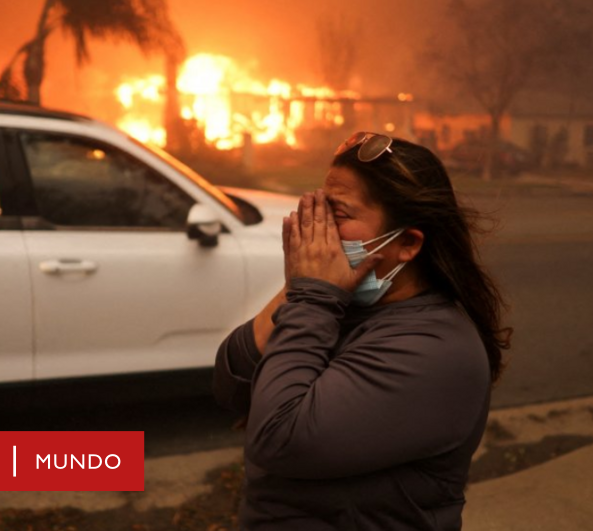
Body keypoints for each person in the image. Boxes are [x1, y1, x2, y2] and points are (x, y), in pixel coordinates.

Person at [212, 132, 511, 530]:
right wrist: (299, 286)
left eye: (338, 215)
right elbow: (232, 379)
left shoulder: (436, 350)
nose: (318, 231)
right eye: (317, 209)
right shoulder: (338, 303)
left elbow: (277, 438)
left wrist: (312, 296)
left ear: (407, 242)